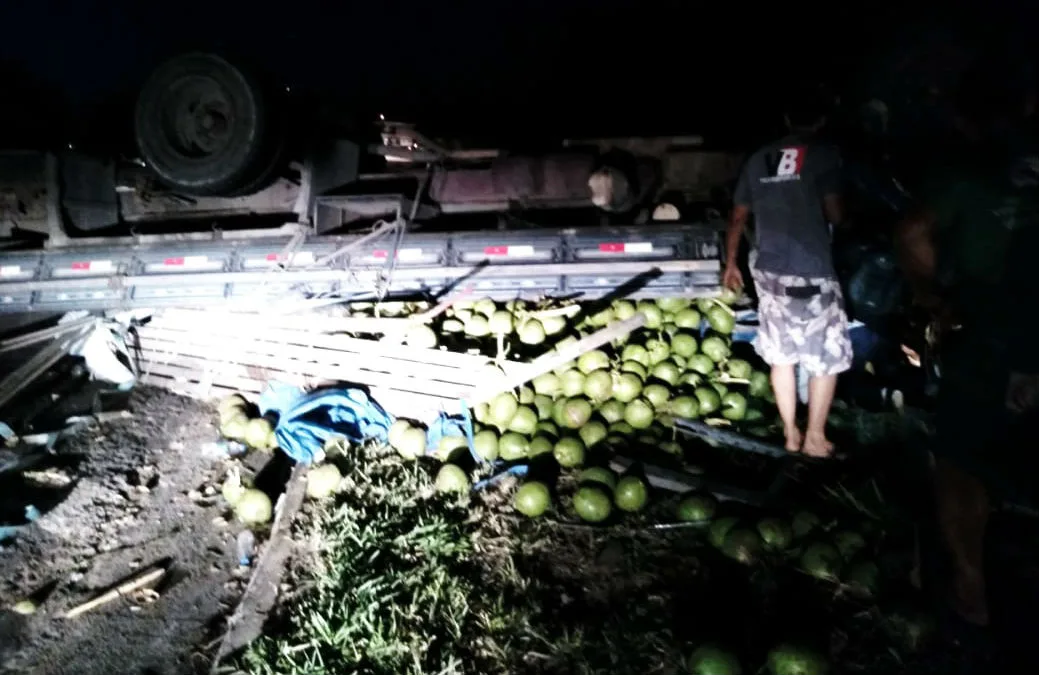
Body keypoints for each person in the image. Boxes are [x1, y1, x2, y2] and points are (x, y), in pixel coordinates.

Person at [895, 72, 1039, 628]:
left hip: (993, 329)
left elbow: (911, 233)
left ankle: (971, 588)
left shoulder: (967, 169)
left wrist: (930, 295)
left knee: (960, 457)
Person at [722, 90, 852, 457]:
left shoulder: (758, 159)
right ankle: (815, 437)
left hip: (768, 271)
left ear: (787, 119)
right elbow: (837, 214)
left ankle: (790, 435)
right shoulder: (824, 155)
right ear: (822, 120)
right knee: (824, 355)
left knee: (782, 355)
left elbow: (737, 216)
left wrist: (731, 263)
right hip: (812, 270)